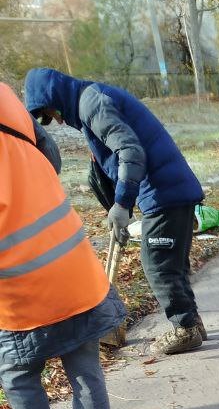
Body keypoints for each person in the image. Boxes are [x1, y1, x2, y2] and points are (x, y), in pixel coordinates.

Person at [24, 68, 206, 355]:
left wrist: (122, 204)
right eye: (45, 120)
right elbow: (109, 162)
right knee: (171, 263)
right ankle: (192, 322)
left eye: (48, 114)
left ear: (54, 99)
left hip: (164, 190)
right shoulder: (90, 101)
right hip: (169, 189)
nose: (54, 121)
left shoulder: (92, 104)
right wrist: (117, 204)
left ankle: (184, 328)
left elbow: (130, 151)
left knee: (157, 263)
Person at [0, 81, 125, 409]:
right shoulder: (4, 97)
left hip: (21, 288)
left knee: (19, 376)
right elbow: (50, 158)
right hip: (72, 267)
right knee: (85, 369)